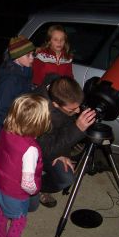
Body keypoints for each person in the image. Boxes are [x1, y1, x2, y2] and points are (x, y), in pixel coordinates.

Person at [0, 94, 51, 237]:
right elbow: (27, 183)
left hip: (0, 184)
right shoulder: (30, 149)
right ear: (40, 123)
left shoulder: (6, 131)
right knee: (18, 224)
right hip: (17, 194)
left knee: (2, 213)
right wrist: (34, 192)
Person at [34, 74, 96, 208]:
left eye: (78, 106)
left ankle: (37, 184)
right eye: (72, 109)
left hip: (55, 143)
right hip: (37, 152)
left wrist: (64, 153)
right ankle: (31, 186)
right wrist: (77, 129)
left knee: (68, 175)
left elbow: (64, 126)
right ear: (55, 104)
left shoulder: (61, 89)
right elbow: (44, 151)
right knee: (65, 179)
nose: (78, 111)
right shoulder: (40, 113)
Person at [0, 35, 36, 137]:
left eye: (33, 54)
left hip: (21, 119)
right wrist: (9, 129)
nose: (32, 58)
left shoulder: (25, 70)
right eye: (28, 55)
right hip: (10, 126)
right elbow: (2, 108)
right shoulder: (9, 81)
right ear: (17, 57)